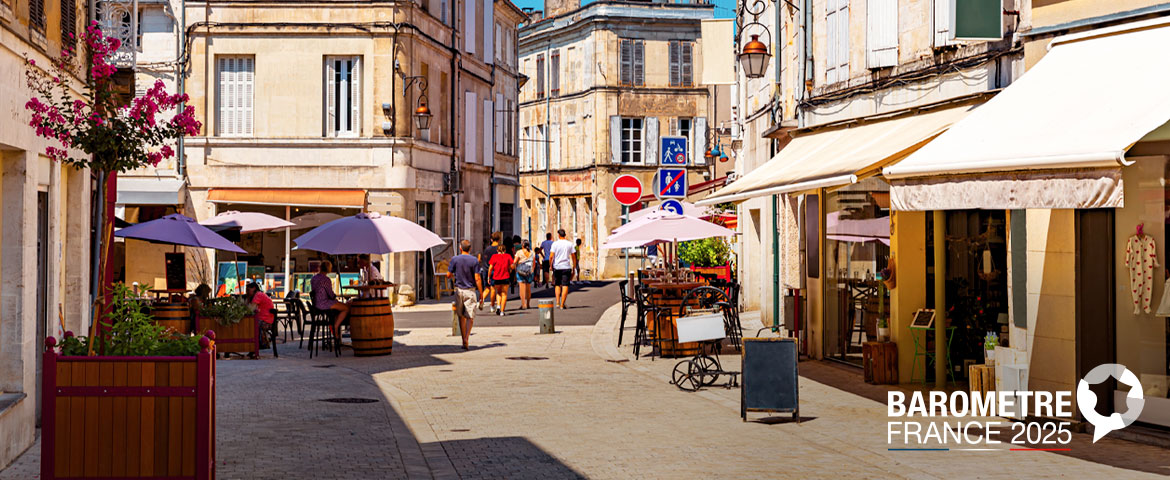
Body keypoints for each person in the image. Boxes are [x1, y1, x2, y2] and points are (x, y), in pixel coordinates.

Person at [448, 240, 480, 349]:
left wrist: (452, 274)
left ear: (460, 248)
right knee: (470, 316)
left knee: (461, 316)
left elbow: (448, 274)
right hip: (470, 290)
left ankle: (463, 340)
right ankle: (467, 337)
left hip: (458, 290)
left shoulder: (455, 259)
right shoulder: (474, 260)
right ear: (470, 249)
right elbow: (477, 278)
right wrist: (480, 291)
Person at [311, 260, 349, 338]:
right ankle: (335, 326)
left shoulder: (314, 278)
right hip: (324, 303)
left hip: (316, 303)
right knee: (346, 308)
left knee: (339, 306)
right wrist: (335, 297)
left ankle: (334, 324)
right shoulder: (326, 279)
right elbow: (331, 295)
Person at [547, 228, 577, 309]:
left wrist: (550, 265)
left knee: (557, 284)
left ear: (559, 235)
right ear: (565, 235)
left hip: (557, 266)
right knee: (565, 285)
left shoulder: (555, 244)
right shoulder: (570, 244)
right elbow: (574, 256)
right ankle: (562, 304)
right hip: (566, 266)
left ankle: (557, 302)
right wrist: (574, 266)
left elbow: (551, 256)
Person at [245, 282, 276, 348]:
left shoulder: (258, 295)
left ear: (254, 288)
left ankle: (253, 346)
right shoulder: (259, 294)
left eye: (248, 290)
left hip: (265, 321)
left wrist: (247, 299)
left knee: (248, 325)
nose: (247, 292)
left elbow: (250, 309)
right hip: (265, 319)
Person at [478, 232, 501, 310]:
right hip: (494, 270)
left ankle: (481, 300)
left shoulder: (487, 249)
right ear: (499, 239)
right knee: (493, 288)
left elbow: (483, 259)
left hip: (485, 270)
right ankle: (492, 305)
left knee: (487, 288)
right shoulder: (498, 249)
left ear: (491, 239)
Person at [488, 245, 513, 315]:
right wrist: (510, 268)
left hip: (496, 277)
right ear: (505, 250)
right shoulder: (508, 256)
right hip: (506, 277)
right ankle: (502, 311)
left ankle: (498, 306)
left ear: (497, 250)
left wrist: (488, 277)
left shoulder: (494, 256)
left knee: (498, 292)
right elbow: (512, 266)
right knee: (504, 294)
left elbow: (490, 268)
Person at [513, 241, 535, 309]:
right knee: (528, 289)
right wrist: (532, 271)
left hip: (520, 271)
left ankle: (523, 304)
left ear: (522, 245)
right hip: (529, 271)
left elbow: (514, 262)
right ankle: (528, 304)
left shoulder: (519, 252)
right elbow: (534, 263)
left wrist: (514, 269)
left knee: (522, 289)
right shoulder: (532, 252)